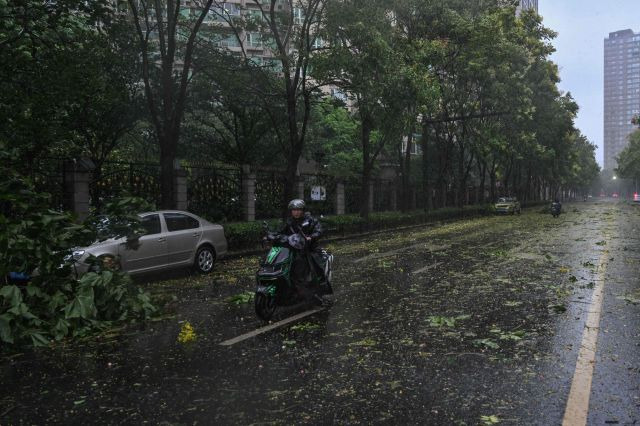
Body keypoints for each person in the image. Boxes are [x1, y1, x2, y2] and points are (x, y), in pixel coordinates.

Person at [279, 199, 331, 297]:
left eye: (298, 210)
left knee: (315, 265)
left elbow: (319, 230)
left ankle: (321, 286)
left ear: (302, 210)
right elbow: (280, 231)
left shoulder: (310, 220)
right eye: (294, 210)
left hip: (309, 249)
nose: (296, 212)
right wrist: (271, 236)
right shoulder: (289, 221)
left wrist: (311, 237)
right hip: (293, 249)